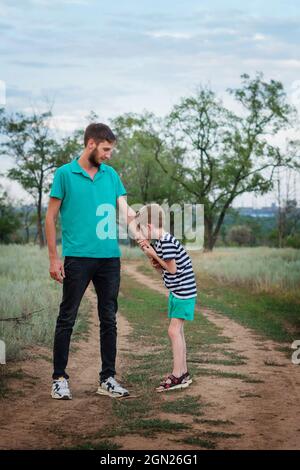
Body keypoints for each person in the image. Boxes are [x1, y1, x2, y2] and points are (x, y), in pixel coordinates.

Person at [45, 123, 136, 399]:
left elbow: (126, 211)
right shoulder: (65, 174)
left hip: (109, 259)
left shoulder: (111, 175)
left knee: (109, 319)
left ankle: (107, 379)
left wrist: (146, 239)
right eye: (106, 149)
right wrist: (53, 258)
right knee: (67, 318)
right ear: (91, 144)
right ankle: (59, 378)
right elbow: (50, 217)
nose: (109, 155)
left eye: (111, 150)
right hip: (77, 258)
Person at [135, 204, 197, 392]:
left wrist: (154, 253)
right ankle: (183, 373)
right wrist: (150, 255)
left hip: (183, 292)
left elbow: (172, 269)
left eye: (142, 227)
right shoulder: (161, 241)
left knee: (173, 331)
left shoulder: (166, 241)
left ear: (150, 225)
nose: (142, 232)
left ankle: (177, 375)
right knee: (177, 331)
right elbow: (162, 268)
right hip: (177, 291)